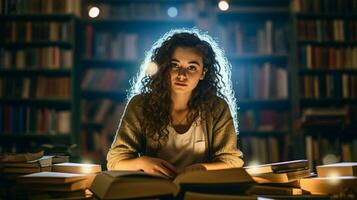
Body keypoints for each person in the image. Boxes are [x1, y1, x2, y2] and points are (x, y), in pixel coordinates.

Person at [107, 28, 243, 179]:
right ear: (164, 68)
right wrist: (143, 163)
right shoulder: (140, 105)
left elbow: (232, 161)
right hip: (153, 190)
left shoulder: (217, 108)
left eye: (192, 67)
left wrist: (200, 169)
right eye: (174, 65)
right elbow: (115, 161)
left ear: (203, 73)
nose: (182, 75)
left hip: (199, 190)